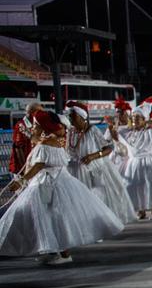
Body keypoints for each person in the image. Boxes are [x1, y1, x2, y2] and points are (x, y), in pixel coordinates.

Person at [0, 109, 124, 264]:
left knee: (48, 217)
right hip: (57, 182)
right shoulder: (54, 143)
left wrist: (22, 181)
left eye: (36, 125)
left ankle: (59, 252)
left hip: (48, 184)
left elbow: (38, 165)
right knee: (56, 217)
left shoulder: (45, 145)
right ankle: (59, 251)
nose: (33, 128)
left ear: (44, 127)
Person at [64, 101, 135, 226]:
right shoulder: (70, 132)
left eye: (72, 116)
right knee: (79, 201)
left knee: (96, 198)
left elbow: (108, 148)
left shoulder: (92, 131)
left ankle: (99, 226)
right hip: (75, 172)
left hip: (94, 170)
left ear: (82, 117)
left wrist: (93, 156)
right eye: (69, 116)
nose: (70, 119)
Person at [8, 102, 41, 175]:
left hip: (33, 167)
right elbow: (18, 149)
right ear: (32, 113)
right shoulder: (21, 126)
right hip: (22, 168)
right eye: (39, 112)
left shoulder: (37, 125)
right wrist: (25, 170)